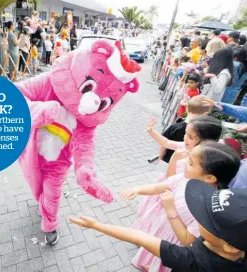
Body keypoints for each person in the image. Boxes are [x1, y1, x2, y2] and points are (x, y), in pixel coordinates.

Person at [70, 169, 247, 272]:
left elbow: (139, 237)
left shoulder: (191, 260)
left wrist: (97, 225)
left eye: (207, 219)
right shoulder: (236, 243)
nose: (198, 216)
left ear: (230, 246)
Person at [160, 95, 210, 164]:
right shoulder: (202, 131)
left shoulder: (175, 127)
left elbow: (163, 144)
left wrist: (160, 157)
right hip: (186, 165)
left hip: (167, 161)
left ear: (187, 109)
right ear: (205, 114)